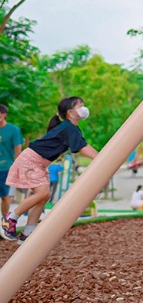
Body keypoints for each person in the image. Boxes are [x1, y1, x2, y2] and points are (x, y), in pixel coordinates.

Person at [2, 97, 99, 242]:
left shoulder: (70, 128)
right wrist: (101, 157)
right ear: (70, 112)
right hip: (30, 160)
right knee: (43, 193)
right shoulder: (68, 128)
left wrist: (100, 155)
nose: (84, 109)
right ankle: (10, 219)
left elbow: (82, 144)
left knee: (44, 196)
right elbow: (81, 148)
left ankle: (28, 232)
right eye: (80, 106)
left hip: (38, 163)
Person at [0, 104, 24, 217]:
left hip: (5, 167)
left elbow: (17, 148)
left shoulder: (13, 130)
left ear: (4, 115)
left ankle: (4, 222)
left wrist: (17, 167)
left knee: (5, 196)